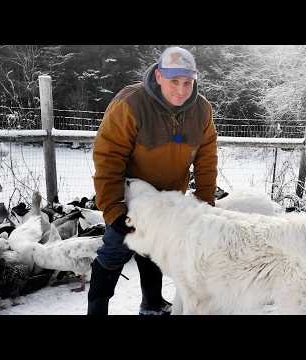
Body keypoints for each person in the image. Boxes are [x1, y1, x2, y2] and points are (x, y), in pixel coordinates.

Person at [87, 46, 218, 315]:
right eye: (174, 82)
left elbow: (206, 159)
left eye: (188, 82)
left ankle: (152, 304)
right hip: (131, 198)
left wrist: (206, 202)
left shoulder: (202, 110)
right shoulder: (131, 103)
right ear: (159, 76)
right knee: (115, 250)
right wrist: (113, 210)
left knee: (156, 252)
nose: (182, 90)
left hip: (169, 199)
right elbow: (108, 157)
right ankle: (96, 309)